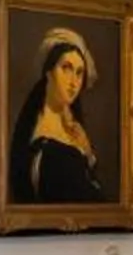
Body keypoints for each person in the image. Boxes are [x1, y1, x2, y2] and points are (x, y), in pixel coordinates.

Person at [8, 27, 104, 204]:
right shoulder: (38, 133)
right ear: (49, 72)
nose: (74, 82)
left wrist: (89, 154)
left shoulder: (74, 126)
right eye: (66, 68)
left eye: (79, 72)